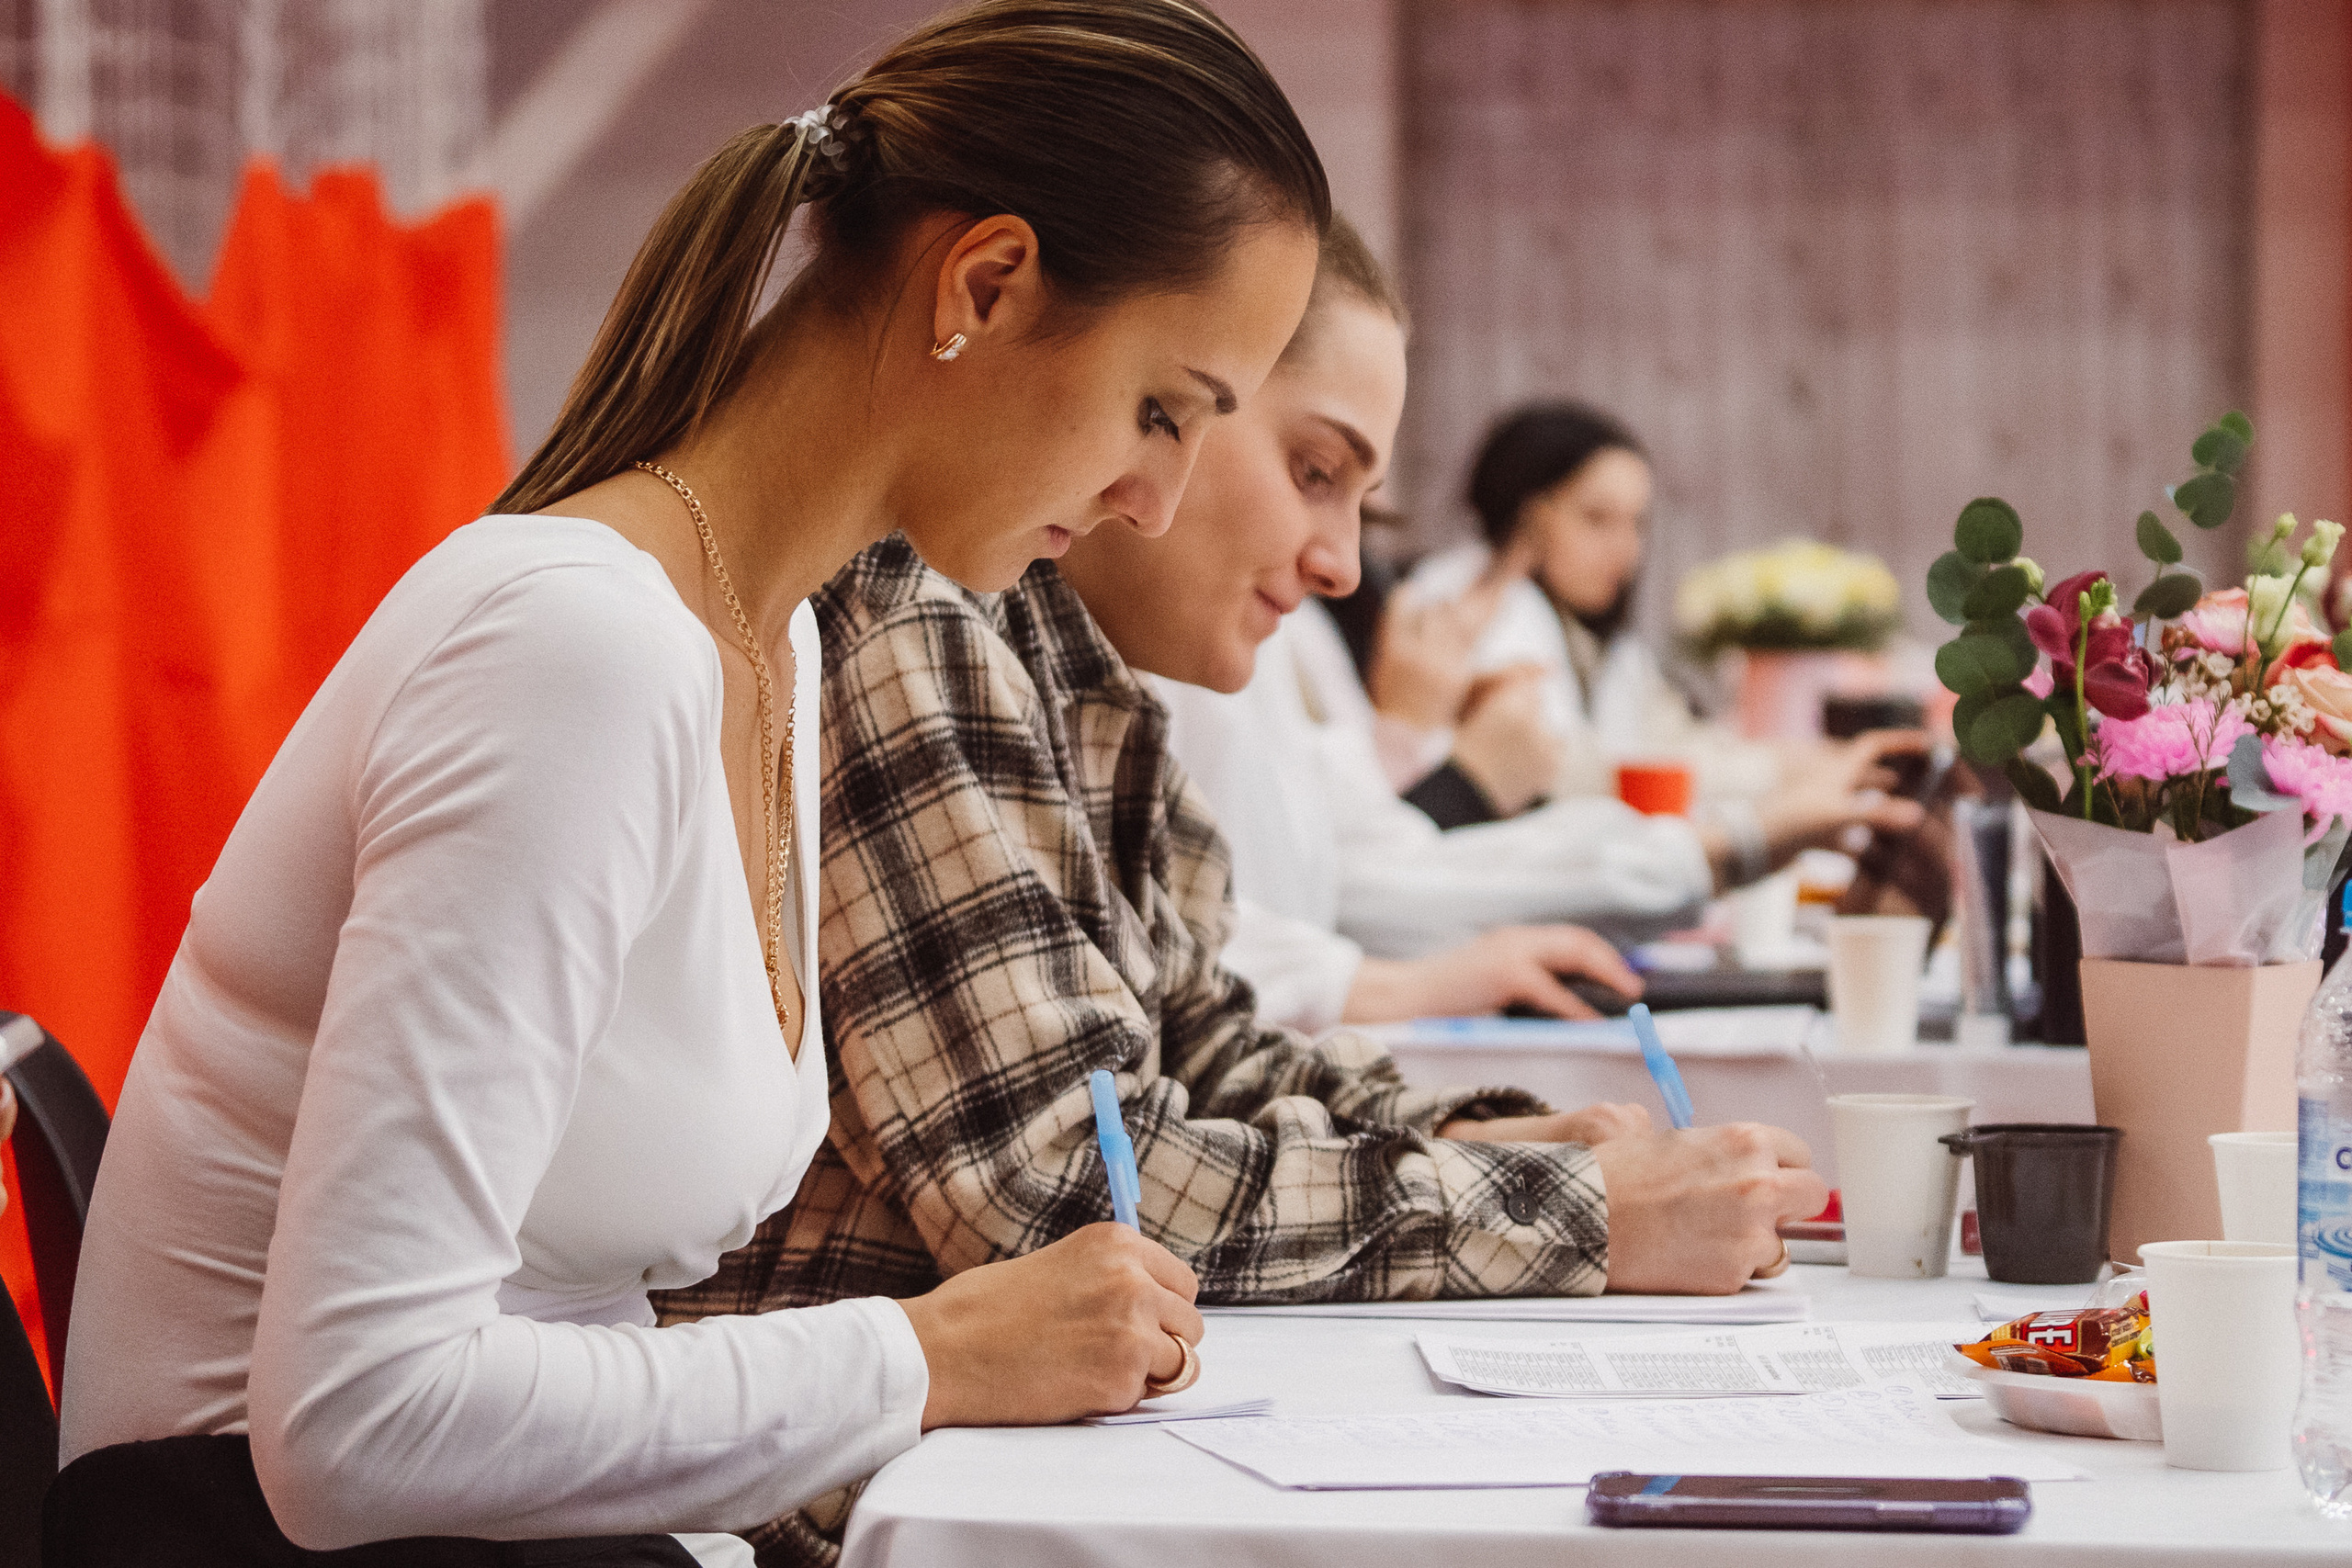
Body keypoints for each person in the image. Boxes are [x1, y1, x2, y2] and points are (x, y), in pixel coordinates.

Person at [51, 6, 1330, 1563]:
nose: (1156, 500)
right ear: (984, 284)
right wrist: (927, 1356)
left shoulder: (772, 638)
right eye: (1161, 410)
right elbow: (359, 1421)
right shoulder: (583, 651)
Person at [664, 213, 1821, 1341]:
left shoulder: (1077, 664)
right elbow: (1052, 1191)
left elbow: (1197, 1042)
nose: (1340, 562)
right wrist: (1580, 1213)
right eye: (1308, 467)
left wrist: (1487, 1140)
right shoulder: (907, 601)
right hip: (819, 1465)